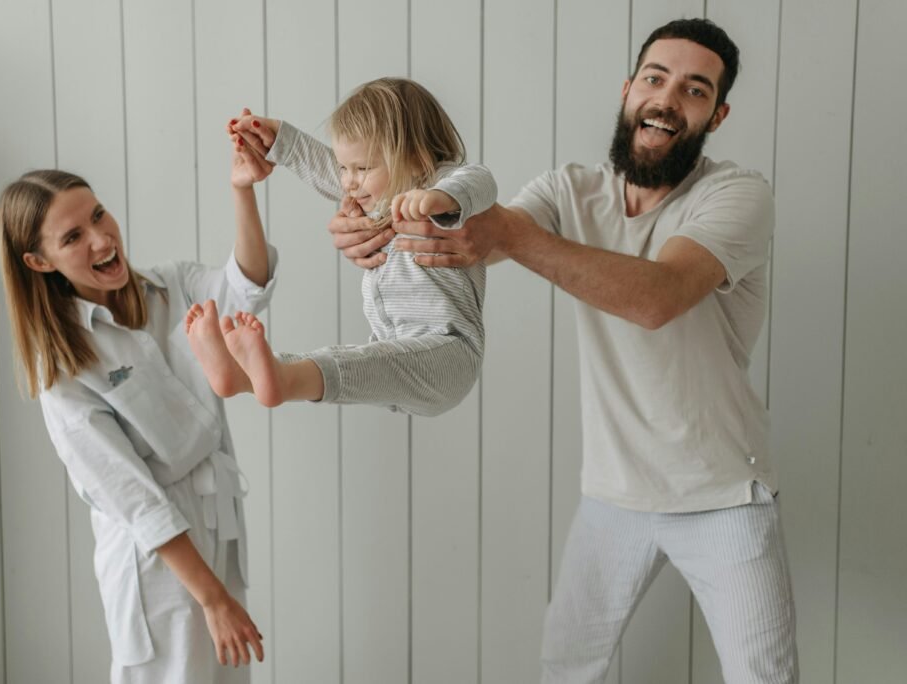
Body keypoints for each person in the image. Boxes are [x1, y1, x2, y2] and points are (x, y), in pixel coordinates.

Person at [326, 19, 798, 684]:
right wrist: (371, 221)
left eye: (694, 90)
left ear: (716, 114)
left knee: (763, 675)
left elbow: (657, 298)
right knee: (565, 668)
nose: (667, 99)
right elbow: (478, 233)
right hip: (613, 495)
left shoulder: (737, 195)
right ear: (629, 88)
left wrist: (511, 239)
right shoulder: (569, 190)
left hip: (723, 494)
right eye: (656, 79)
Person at [0, 154, 276, 683]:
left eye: (99, 216)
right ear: (39, 261)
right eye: (73, 237)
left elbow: (249, 286)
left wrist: (242, 189)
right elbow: (132, 496)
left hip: (219, 529)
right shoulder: (62, 367)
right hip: (160, 569)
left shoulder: (172, 287)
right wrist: (212, 599)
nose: (102, 240)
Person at [186, 77, 496, 417]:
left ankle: (281, 378)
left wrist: (439, 198)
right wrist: (278, 139)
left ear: (417, 159)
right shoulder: (379, 195)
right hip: (391, 346)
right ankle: (245, 375)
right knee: (350, 363)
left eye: (362, 168)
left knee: (359, 363)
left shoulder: (439, 184)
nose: (348, 181)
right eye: (343, 168)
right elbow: (322, 166)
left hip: (449, 350)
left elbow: (480, 181)